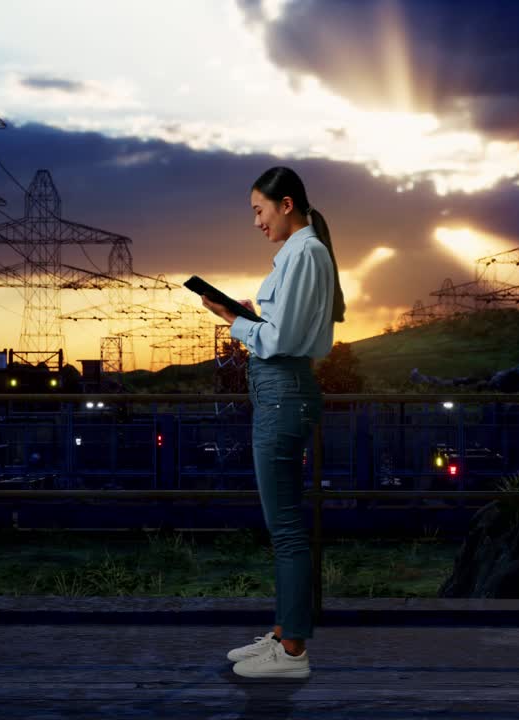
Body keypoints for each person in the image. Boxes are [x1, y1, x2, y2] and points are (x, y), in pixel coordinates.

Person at [201, 165, 345, 679]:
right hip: (280, 391)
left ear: (287, 204)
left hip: (283, 392)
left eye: (259, 210)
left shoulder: (305, 253)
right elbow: (283, 328)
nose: (257, 221)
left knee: (285, 530)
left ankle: (291, 655)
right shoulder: (302, 254)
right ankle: (285, 634)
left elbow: (281, 341)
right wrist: (247, 317)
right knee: (282, 526)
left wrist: (233, 321)